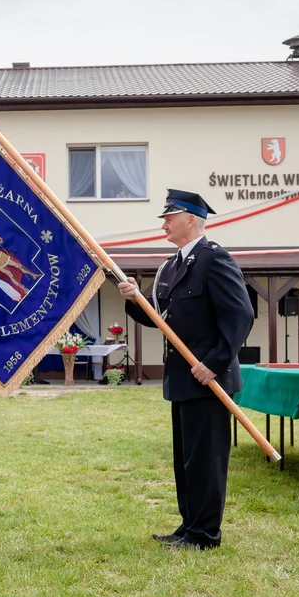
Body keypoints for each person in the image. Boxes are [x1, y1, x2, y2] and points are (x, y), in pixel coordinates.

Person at [119, 189, 254, 550]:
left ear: (190, 219)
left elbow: (240, 315)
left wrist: (214, 364)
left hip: (208, 379)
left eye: (169, 217)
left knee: (207, 459)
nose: (164, 223)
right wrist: (134, 298)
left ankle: (205, 534)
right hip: (182, 378)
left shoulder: (214, 259)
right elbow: (159, 317)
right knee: (187, 460)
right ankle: (189, 525)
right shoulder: (171, 266)